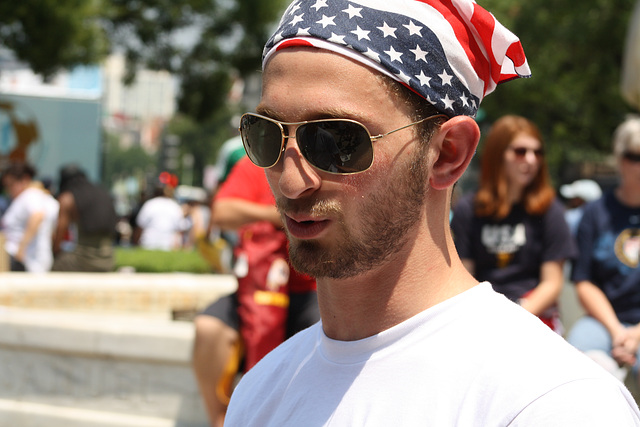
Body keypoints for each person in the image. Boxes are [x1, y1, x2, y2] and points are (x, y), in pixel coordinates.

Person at [224, 1, 640, 425]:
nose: (292, 182)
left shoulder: (551, 402)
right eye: (266, 134)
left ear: (447, 154)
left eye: (336, 141)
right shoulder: (259, 393)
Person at [192, 157, 319, 427]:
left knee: (322, 332)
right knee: (207, 327)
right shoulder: (256, 166)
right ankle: (221, 419)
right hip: (257, 286)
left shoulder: (321, 161)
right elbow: (222, 212)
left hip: (311, 288)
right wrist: (275, 214)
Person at [451, 115, 575, 333]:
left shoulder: (550, 210)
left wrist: (514, 316)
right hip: (482, 312)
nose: (531, 160)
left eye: (537, 152)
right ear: (498, 155)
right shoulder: (468, 210)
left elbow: (552, 283)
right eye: (520, 151)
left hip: (532, 312)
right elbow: (465, 277)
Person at [567, 115, 640, 385]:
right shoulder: (595, 213)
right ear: (620, 158)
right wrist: (618, 331)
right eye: (636, 157)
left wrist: (636, 335)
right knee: (576, 365)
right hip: (603, 322)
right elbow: (583, 280)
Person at [52, 164, 117, 272]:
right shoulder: (102, 192)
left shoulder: (68, 198)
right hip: (109, 259)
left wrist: (54, 252)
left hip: (83, 260)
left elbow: (59, 234)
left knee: (55, 267)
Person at [1, 162, 59, 272]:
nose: (9, 190)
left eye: (11, 185)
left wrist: (21, 248)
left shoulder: (30, 195)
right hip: (29, 259)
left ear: (24, 180)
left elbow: (37, 216)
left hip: (24, 261)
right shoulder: (38, 196)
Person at [135, 176, 186, 251]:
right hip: (167, 247)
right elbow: (180, 230)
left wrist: (136, 243)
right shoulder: (175, 207)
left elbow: (139, 227)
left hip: (148, 245)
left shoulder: (149, 204)